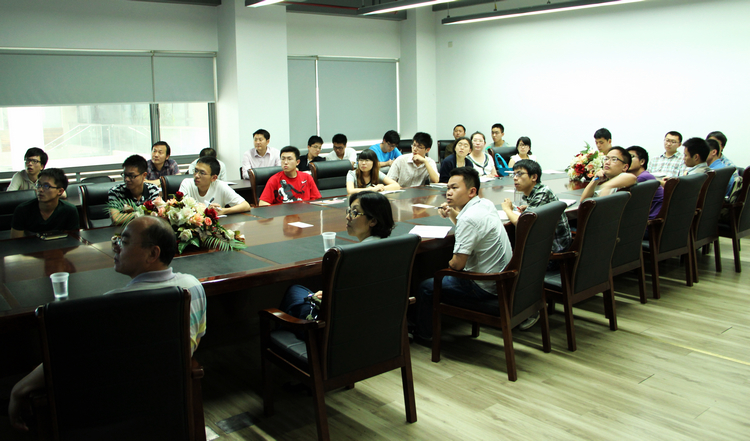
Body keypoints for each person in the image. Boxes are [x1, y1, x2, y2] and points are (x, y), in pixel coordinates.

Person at [7, 216, 207, 432]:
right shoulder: (193, 286)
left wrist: (19, 389)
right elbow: (194, 340)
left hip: (117, 406)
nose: (116, 246)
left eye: (124, 241)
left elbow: (65, 361)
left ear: (152, 254)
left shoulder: (112, 307)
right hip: (171, 401)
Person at [415, 167, 512, 341]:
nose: (448, 192)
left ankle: (424, 336)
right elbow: (468, 225)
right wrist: (451, 213)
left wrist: (445, 264)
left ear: (471, 191)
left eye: (454, 188)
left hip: (483, 286)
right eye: (448, 188)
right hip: (503, 279)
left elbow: (457, 265)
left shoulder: (469, 219)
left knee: (425, 286)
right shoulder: (485, 204)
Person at [279, 192, 395, 320]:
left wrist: (330, 297)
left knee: (293, 292)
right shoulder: (393, 249)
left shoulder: (354, 257)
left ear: (373, 220)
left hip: (338, 322)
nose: (348, 217)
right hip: (380, 319)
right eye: (349, 211)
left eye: (355, 213)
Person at [500, 159, 571, 330]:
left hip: (553, 254)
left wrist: (507, 210)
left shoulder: (542, 192)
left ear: (534, 177)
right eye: (514, 174)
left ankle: (529, 312)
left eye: (520, 174)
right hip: (549, 248)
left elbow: (523, 225)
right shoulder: (536, 192)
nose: (515, 178)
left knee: (510, 266)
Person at [10, 168, 79, 238]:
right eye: (39, 185)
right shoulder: (23, 210)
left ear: (60, 191)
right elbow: (16, 242)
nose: (40, 189)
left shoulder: (69, 210)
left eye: (46, 186)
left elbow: (72, 239)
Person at [179, 157, 251, 214]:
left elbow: (246, 206)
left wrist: (223, 211)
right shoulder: (187, 184)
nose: (197, 175)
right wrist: (206, 211)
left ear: (213, 178)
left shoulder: (220, 186)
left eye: (202, 173)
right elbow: (180, 209)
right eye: (196, 171)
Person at [109, 155, 161, 225]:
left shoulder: (153, 190)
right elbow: (116, 219)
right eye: (125, 175)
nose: (127, 179)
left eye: (131, 176)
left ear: (144, 175)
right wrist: (140, 213)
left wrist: (130, 214)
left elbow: (156, 215)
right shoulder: (115, 192)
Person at [626, 146, 664, 219]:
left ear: (642, 161)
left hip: (650, 221)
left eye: (631, 156)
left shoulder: (643, 178)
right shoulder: (645, 176)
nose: (628, 160)